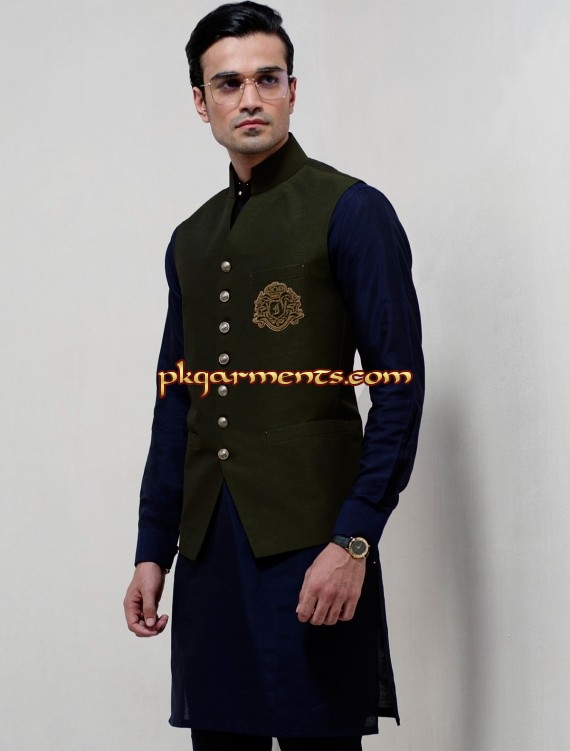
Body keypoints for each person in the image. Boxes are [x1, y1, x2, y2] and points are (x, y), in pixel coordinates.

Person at [123, 2, 424, 750]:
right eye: (228, 83)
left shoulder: (352, 211)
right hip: (209, 554)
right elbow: (176, 402)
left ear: (293, 90)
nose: (249, 98)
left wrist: (354, 540)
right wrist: (153, 548)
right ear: (202, 102)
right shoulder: (190, 239)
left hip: (313, 545)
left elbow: (399, 391)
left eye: (268, 78)